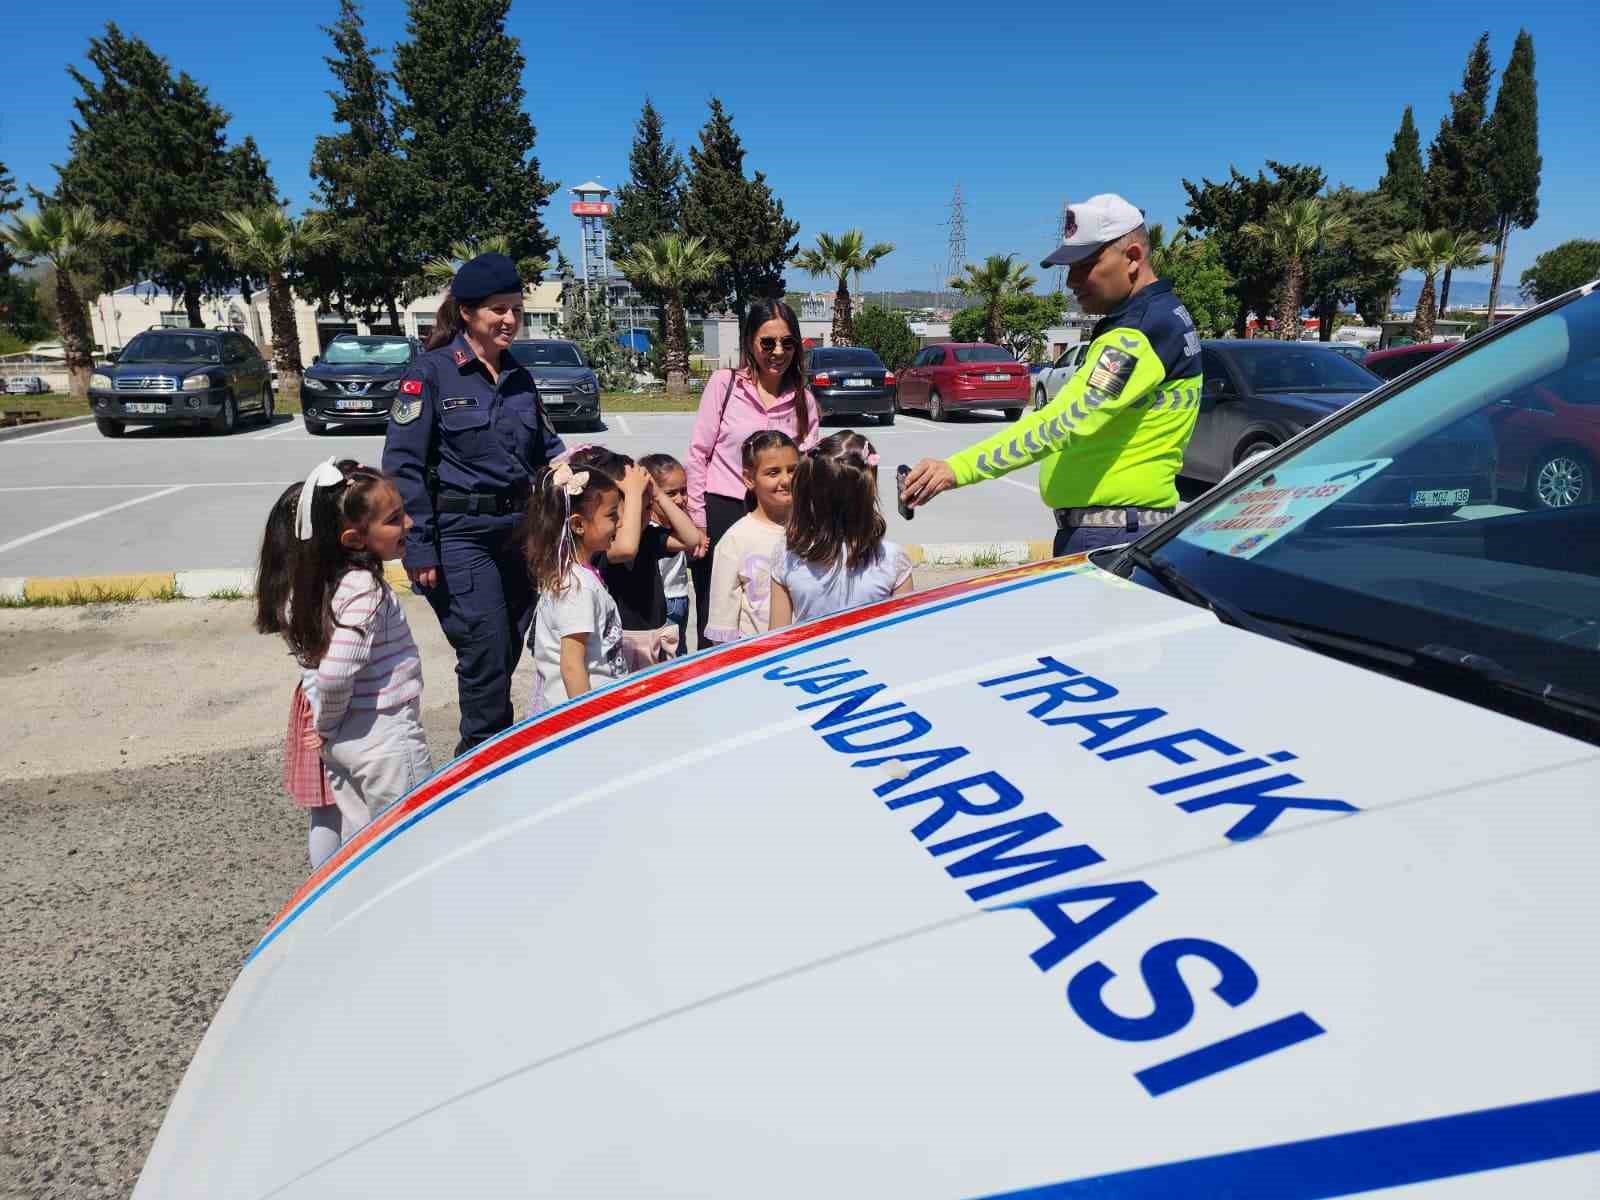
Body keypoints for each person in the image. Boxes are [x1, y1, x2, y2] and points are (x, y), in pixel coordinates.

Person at [900, 194, 1203, 556]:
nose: (1071, 281)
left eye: (1085, 265)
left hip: (1109, 535)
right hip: (1120, 528)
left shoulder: (1137, 334)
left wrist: (956, 469)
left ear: (1133, 258)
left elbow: (1064, 422)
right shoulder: (1161, 316)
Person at [383, 253, 565, 756]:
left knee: (506, 649)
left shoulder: (519, 377)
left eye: (515, 310)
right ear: (466, 312)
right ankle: (480, 760)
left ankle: (492, 751)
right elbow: (403, 466)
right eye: (497, 310)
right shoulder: (432, 374)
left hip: (520, 535)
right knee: (484, 648)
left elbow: (549, 450)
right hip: (461, 535)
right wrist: (417, 548)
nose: (509, 320)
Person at [255, 459, 430, 867]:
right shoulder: (362, 587)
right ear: (354, 539)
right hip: (383, 734)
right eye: (394, 519)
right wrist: (327, 723)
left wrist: (330, 728)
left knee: (359, 844)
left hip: (348, 739)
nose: (409, 523)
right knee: (409, 841)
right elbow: (335, 672)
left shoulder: (325, 583)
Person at [685, 298, 821, 648]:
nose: (778, 351)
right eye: (768, 342)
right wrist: (698, 521)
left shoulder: (803, 400)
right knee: (716, 615)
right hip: (724, 510)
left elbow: (808, 470)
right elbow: (699, 454)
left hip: (779, 518)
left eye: (787, 343)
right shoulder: (724, 385)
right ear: (750, 342)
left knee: (774, 607)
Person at [564, 446, 703, 669]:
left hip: (653, 639)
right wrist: (632, 493)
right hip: (621, 643)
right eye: (642, 505)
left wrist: (657, 494)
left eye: (649, 505)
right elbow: (626, 549)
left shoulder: (649, 535)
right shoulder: (605, 544)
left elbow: (691, 539)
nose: (647, 512)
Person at [770, 431, 914, 628]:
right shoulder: (892, 560)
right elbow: (904, 634)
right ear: (868, 492)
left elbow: (776, 637)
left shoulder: (787, 557)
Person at [523, 462, 629, 711]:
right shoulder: (577, 589)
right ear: (578, 524)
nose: (620, 522)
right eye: (612, 515)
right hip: (586, 715)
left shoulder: (577, 577)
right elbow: (572, 665)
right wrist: (586, 722)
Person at [704, 430, 799, 644]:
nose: (786, 480)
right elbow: (723, 623)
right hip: (760, 660)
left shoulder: (814, 530)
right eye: (773, 473)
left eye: (793, 470)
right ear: (749, 478)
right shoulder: (736, 540)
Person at [640, 453, 693, 656]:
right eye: (671, 493)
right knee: (665, 658)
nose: (680, 499)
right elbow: (690, 539)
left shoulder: (674, 521)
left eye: (684, 491)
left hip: (680, 597)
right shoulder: (651, 529)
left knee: (678, 652)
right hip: (663, 602)